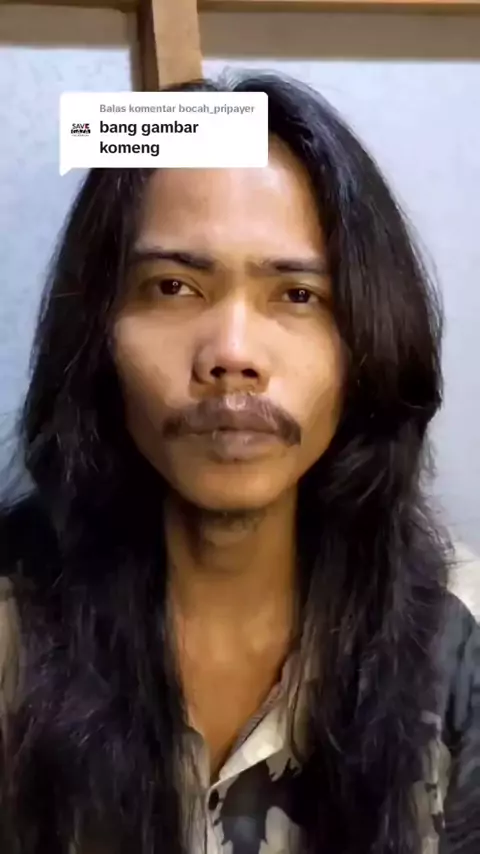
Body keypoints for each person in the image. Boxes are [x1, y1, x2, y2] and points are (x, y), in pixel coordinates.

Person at [0, 72, 478, 854]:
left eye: (297, 295)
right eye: (174, 286)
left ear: (367, 341)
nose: (231, 354)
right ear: (97, 332)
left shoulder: (460, 641)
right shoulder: (14, 633)